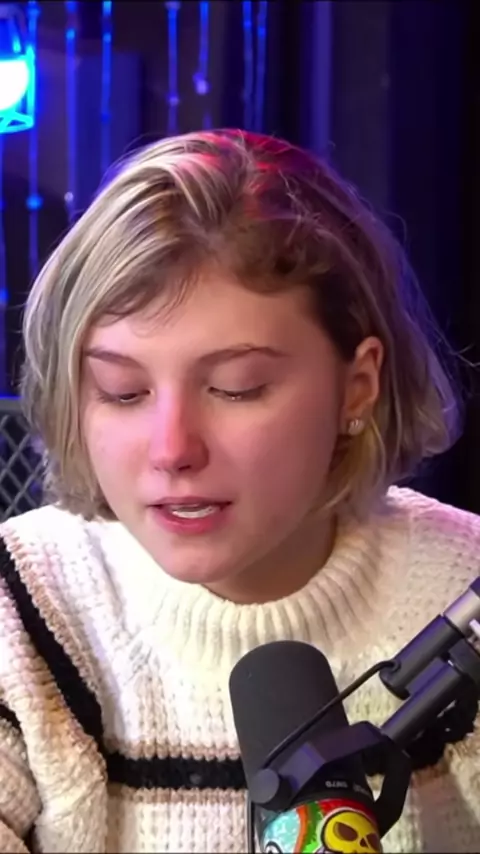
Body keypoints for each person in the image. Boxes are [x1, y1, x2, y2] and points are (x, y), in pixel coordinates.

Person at [0, 128, 479, 854]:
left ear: (357, 386)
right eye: (123, 391)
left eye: (236, 387)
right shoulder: (25, 604)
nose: (172, 450)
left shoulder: (463, 599)